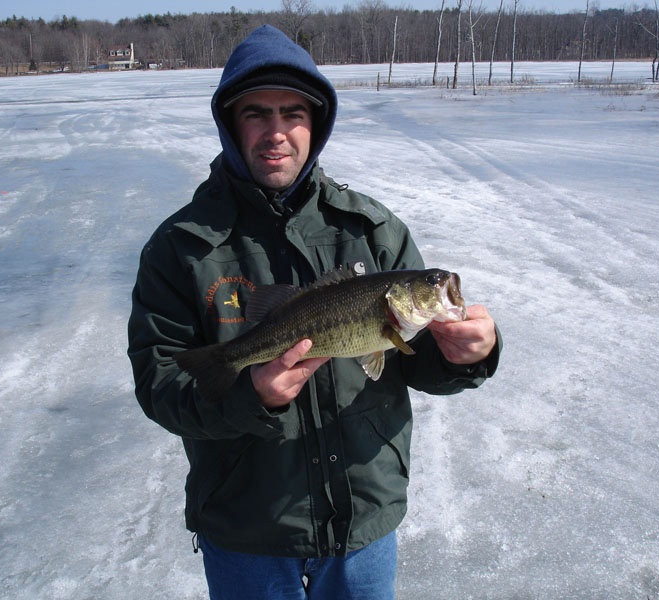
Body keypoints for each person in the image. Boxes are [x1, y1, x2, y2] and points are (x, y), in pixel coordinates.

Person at [127, 24, 501, 600]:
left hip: (363, 524)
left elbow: (414, 360)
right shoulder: (180, 249)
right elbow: (161, 385)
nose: (276, 133)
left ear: (315, 124)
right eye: (256, 113)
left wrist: (466, 358)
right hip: (246, 533)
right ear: (231, 124)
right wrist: (252, 394)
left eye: (292, 113)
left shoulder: (372, 231)